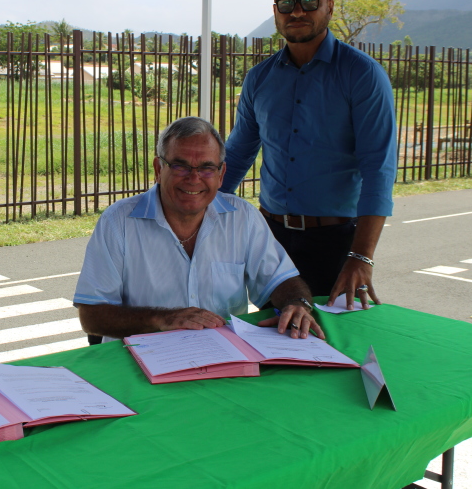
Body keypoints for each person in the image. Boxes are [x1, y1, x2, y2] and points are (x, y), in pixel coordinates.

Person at [219, 0, 397, 310]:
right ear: (275, 12)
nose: (297, 12)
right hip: (271, 238)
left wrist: (361, 256)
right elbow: (238, 154)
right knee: (271, 330)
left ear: (329, 6)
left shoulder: (362, 74)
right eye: (286, 3)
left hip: (335, 241)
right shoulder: (259, 79)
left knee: (330, 337)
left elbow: (379, 167)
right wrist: (197, 212)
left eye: (309, 1)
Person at [74, 117, 323, 342]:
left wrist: (297, 303)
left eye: (206, 168)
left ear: (221, 174)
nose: (194, 178)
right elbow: (92, 316)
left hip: (223, 358)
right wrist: (162, 320)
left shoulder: (242, 217)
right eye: (180, 166)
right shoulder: (118, 222)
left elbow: (281, 279)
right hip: (138, 359)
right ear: (159, 169)